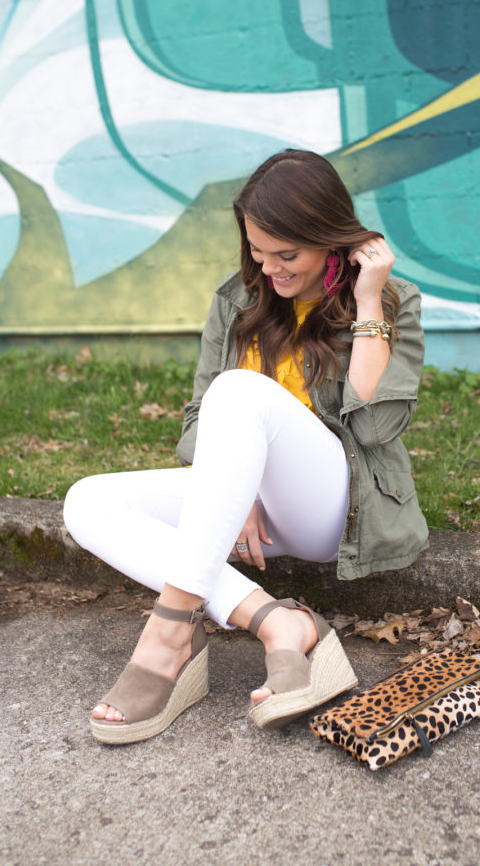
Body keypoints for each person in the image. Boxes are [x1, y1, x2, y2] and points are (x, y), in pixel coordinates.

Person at [63, 149, 429, 743]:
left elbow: (374, 428)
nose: (272, 270)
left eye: (288, 256)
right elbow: (195, 417)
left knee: (236, 391)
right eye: (259, 252)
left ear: (332, 240)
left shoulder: (390, 298)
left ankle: (169, 634)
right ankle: (279, 623)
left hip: (334, 506)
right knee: (87, 501)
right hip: (248, 515)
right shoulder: (238, 297)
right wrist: (234, 486)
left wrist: (368, 303)